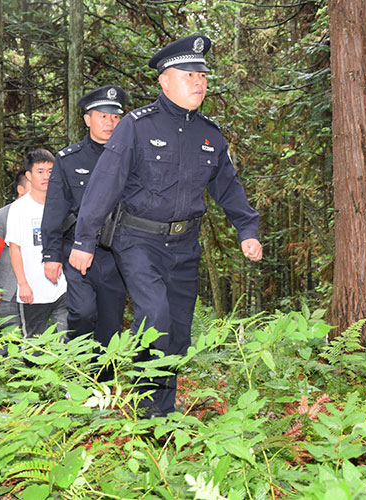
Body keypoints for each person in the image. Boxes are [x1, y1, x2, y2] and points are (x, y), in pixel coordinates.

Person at [69, 35, 263, 417]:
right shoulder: (136, 127)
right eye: (188, 73)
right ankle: (144, 410)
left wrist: (248, 230)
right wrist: (84, 240)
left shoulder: (209, 134)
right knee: (154, 316)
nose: (198, 81)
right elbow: (105, 182)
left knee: (176, 330)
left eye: (202, 75)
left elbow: (228, 187)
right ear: (164, 80)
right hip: (137, 240)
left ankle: (163, 413)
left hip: (185, 245)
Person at [42, 85, 128, 351]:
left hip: (116, 254)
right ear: (87, 119)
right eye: (103, 116)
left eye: (115, 117)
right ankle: (75, 368)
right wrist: (51, 255)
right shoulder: (68, 159)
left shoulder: (130, 158)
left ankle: (101, 383)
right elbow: (55, 210)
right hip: (76, 250)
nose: (109, 122)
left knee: (111, 324)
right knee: (81, 312)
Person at [6, 149, 68, 337]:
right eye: (40, 171)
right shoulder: (19, 208)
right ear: (29, 176)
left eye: (50, 171)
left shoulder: (63, 204)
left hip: (64, 287)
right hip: (33, 291)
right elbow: (14, 248)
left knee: (69, 341)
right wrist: (22, 284)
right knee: (35, 347)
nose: (45, 176)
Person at [0, 169, 31, 328]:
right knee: (9, 344)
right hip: (8, 294)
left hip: (35, 295)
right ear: (20, 190)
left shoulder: (41, 216)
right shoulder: (2, 216)